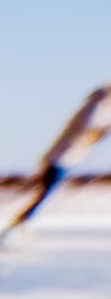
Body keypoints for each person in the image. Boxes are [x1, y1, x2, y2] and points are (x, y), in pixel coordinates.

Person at [7, 84, 109, 236]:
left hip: (61, 158)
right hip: (62, 159)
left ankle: (19, 226)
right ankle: (17, 228)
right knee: (45, 195)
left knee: (43, 194)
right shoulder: (95, 109)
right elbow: (91, 127)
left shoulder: (92, 107)